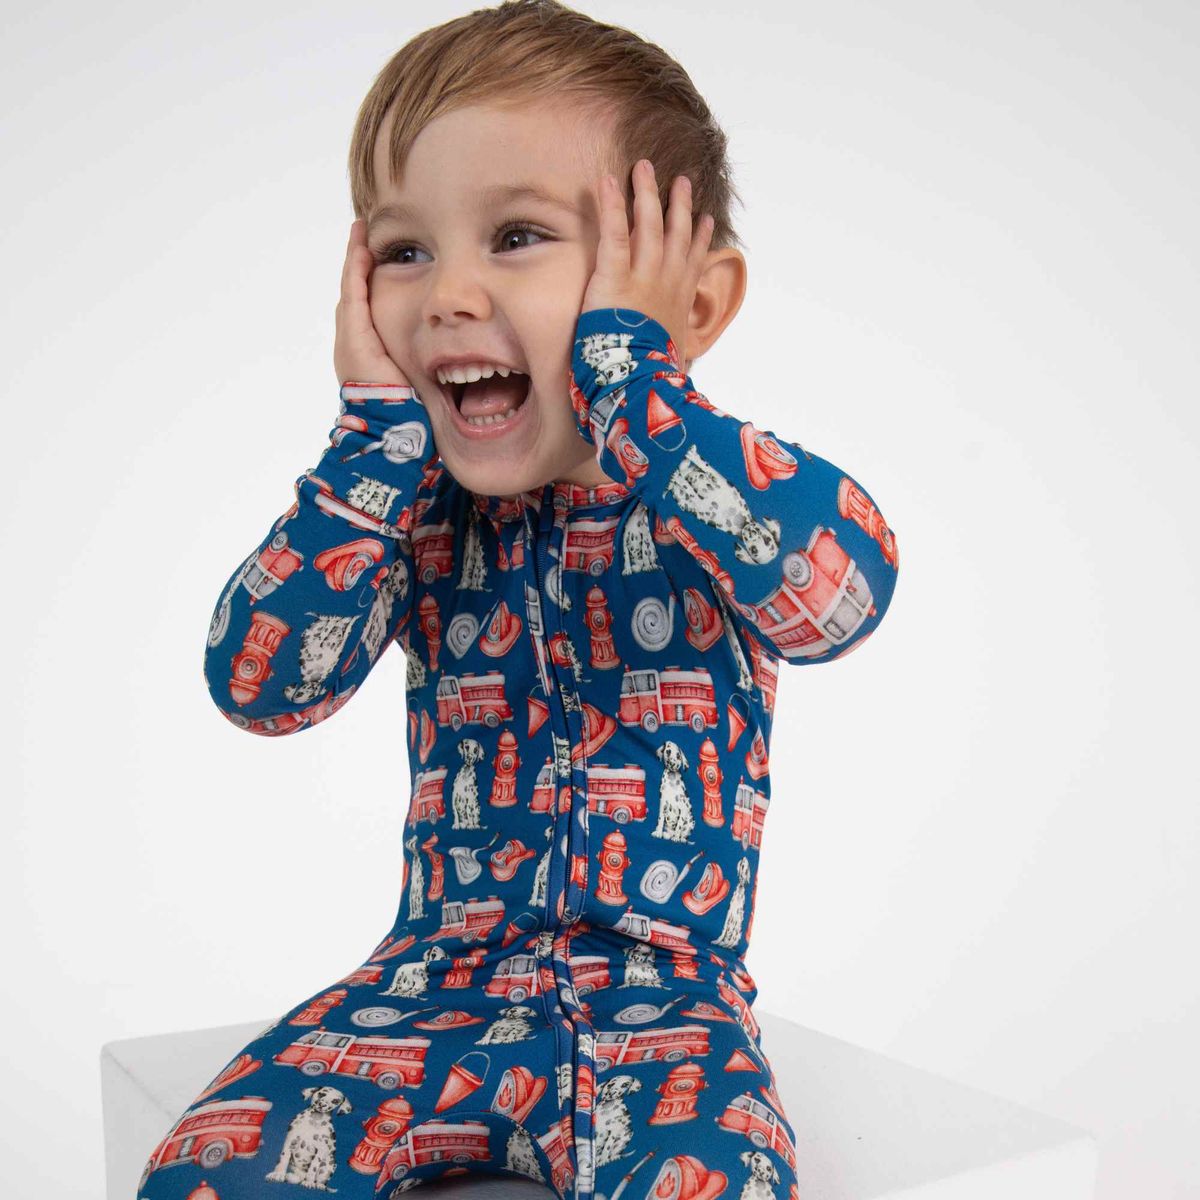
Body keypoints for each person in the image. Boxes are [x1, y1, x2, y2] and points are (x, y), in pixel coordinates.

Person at [140, 2, 899, 1196]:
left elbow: (843, 598)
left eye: (518, 236)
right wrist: (372, 452)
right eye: (404, 251)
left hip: (663, 1010)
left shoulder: (712, 501)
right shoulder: (405, 511)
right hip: (420, 996)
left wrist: (639, 389)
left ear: (693, 305)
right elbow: (260, 687)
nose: (447, 292)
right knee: (205, 1171)